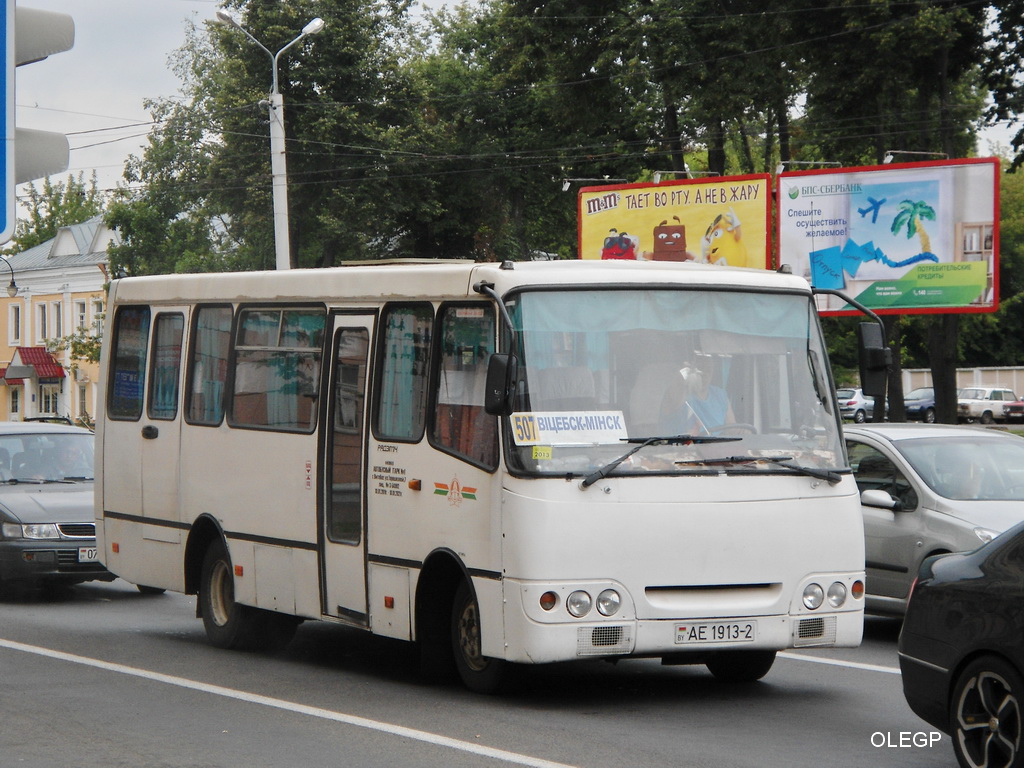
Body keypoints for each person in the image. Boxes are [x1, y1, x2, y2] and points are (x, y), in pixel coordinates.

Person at [664, 358, 736, 435]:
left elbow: (732, 429)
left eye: (708, 370)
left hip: (717, 445)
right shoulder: (679, 393)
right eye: (701, 369)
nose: (705, 374)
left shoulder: (720, 395)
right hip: (686, 445)